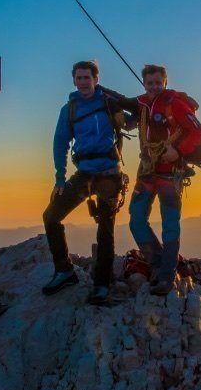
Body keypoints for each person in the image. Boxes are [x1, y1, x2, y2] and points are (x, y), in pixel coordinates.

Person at [42, 60, 137, 305]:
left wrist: (129, 104)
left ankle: (102, 285)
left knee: (105, 229)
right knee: (51, 217)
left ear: (96, 79)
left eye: (87, 77)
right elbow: (60, 143)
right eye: (79, 78)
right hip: (84, 172)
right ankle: (64, 270)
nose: (83, 82)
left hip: (109, 173)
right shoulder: (69, 109)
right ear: (74, 81)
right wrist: (60, 178)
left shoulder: (108, 103)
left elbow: (132, 121)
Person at [128, 64, 201, 295]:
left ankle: (166, 275)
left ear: (165, 82)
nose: (153, 87)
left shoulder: (174, 103)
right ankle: (159, 264)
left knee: (170, 224)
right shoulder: (142, 104)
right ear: (144, 83)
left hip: (170, 172)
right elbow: (129, 119)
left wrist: (179, 151)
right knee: (136, 219)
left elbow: (198, 131)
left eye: (157, 83)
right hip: (147, 170)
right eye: (149, 83)